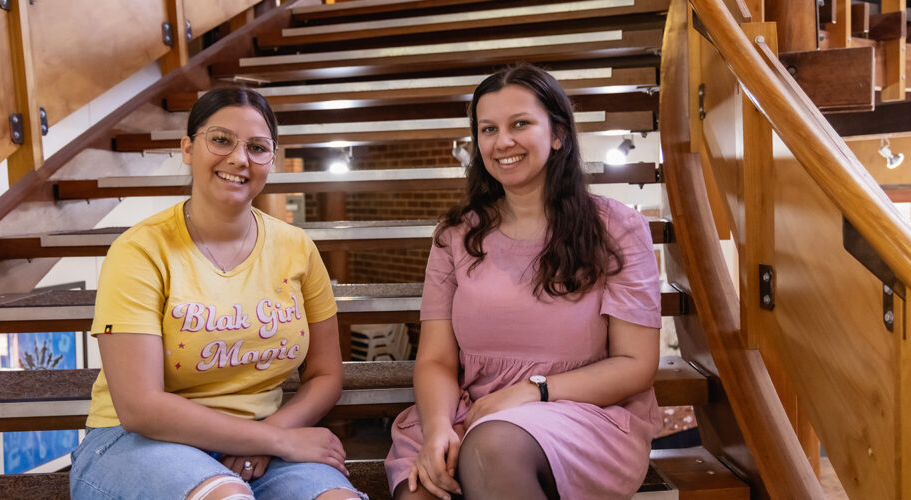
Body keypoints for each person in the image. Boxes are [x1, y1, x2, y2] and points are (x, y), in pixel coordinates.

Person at [69, 87, 366, 500]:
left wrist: (267, 436)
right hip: (141, 443)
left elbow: (326, 374)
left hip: (263, 442)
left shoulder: (297, 248)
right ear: (188, 148)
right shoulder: (140, 250)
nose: (239, 159)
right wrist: (274, 442)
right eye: (221, 140)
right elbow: (140, 407)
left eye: (258, 147)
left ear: (271, 160)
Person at [384, 64, 662, 500]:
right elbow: (436, 359)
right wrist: (438, 428)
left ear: (558, 134)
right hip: (468, 410)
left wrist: (532, 392)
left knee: (492, 446)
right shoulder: (456, 235)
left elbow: (636, 364)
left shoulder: (617, 228)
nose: (502, 142)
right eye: (488, 129)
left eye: (520, 124)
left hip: (584, 414)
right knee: (424, 488)